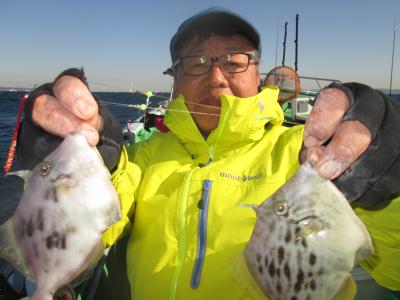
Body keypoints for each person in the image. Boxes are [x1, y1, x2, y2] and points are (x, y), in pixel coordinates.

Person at [16, 7, 400, 300]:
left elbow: (393, 270)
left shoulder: (305, 154)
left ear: (258, 73)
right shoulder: (144, 157)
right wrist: (92, 160)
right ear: (174, 78)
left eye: (235, 61)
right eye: (196, 63)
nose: (217, 76)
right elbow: (96, 219)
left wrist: (386, 187)